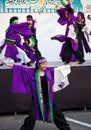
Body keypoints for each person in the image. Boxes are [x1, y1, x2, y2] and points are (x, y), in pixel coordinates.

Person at [3, 57, 75, 130]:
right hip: (36, 99)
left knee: (58, 115)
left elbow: (59, 69)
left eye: (46, 63)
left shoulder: (49, 71)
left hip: (48, 99)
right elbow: (21, 68)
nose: (45, 65)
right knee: (31, 116)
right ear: (38, 64)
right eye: (43, 64)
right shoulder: (32, 73)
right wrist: (8, 64)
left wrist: (70, 66)